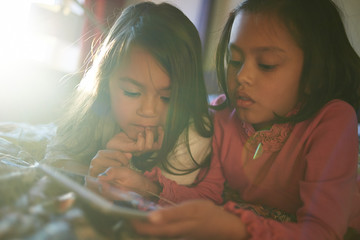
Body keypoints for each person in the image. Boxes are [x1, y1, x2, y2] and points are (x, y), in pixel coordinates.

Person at [131, 0, 360, 239]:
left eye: (266, 65)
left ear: (315, 74)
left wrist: (234, 227)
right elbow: (209, 195)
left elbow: (322, 231)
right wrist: (146, 187)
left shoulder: (332, 120)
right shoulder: (222, 117)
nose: (242, 76)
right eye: (236, 61)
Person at [43, 2, 213, 196]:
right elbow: (55, 157)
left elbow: (168, 207)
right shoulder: (95, 108)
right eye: (132, 92)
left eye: (167, 97)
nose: (148, 111)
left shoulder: (192, 135)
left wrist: (130, 170)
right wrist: (92, 172)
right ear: (106, 82)